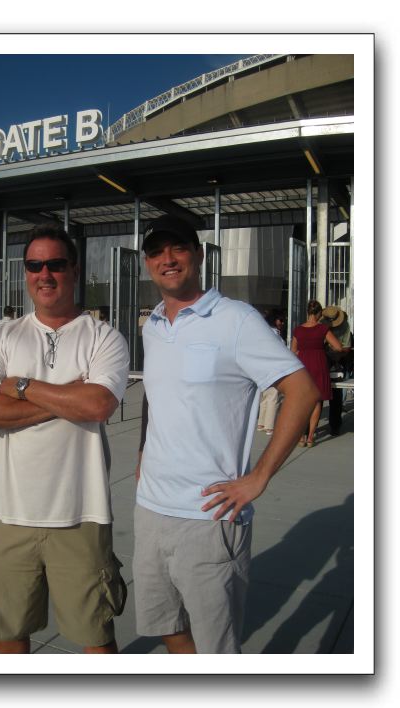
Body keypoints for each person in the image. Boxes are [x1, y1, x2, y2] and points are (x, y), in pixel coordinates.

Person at [134, 215, 320, 654]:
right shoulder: (153, 325)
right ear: (147, 263)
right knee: (166, 625)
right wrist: (143, 453)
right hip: (151, 509)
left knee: (217, 647)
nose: (167, 259)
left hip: (209, 516)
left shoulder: (235, 319)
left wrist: (258, 477)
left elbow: (303, 392)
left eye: (178, 248)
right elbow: (156, 394)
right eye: (157, 252)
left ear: (198, 255)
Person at [0, 221, 130, 654]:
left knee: (96, 640)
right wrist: (67, 397)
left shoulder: (103, 337)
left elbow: (97, 405)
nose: (45, 274)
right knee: (9, 634)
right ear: (25, 271)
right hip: (10, 513)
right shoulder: (3, 335)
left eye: (56, 264)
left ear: (74, 269)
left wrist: (20, 386)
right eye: (34, 265)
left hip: (82, 515)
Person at [291, 300, 348, 447]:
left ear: (308, 312)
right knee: (317, 401)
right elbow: (338, 347)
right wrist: (341, 349)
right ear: (318, 314)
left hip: (303, 366)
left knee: (302, 402)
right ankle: (310, 437)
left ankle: (301, 436)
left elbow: (293, 351)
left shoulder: (298, 330)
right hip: (319, 365)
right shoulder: (323, 329)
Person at [320, 306, 353, 436]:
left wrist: (338, 353)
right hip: (323, 360)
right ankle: (314, 426)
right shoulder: (321, 325)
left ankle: (334, 425)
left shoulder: (344, 326)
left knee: (335, 393)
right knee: (320, 395)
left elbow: (347, 347)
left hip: (337, 361)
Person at [257, 310, 286, 435]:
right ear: (275, 321)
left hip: (262, 368)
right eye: (281, 320)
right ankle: (269, 426)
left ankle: (261, 423)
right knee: (273, 397)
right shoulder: (275, 334)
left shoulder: (264, 332)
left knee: (265, 397)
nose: (283, 323)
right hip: (274, 368)